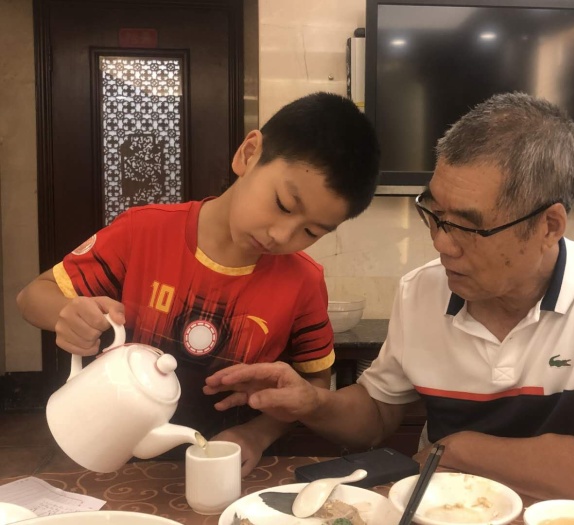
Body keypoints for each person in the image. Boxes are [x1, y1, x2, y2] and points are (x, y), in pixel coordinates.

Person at [203, 92, 574, 509]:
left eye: (467, 226)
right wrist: (312, 403)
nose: (442, 244)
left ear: (549, 226)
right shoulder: (423, 290)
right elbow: (376, 415)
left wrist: (457, 448)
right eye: (434, 213)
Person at [16, 91, 381, 476]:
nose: (281, 235)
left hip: (231, 466)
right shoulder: (143, 232)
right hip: (113, 453)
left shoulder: (303, 281)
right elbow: (32, 297)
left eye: (311, 231)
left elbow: (313, 382)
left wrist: (257, 435)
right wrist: (67, 314)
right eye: (283, 205)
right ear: (249, 154)